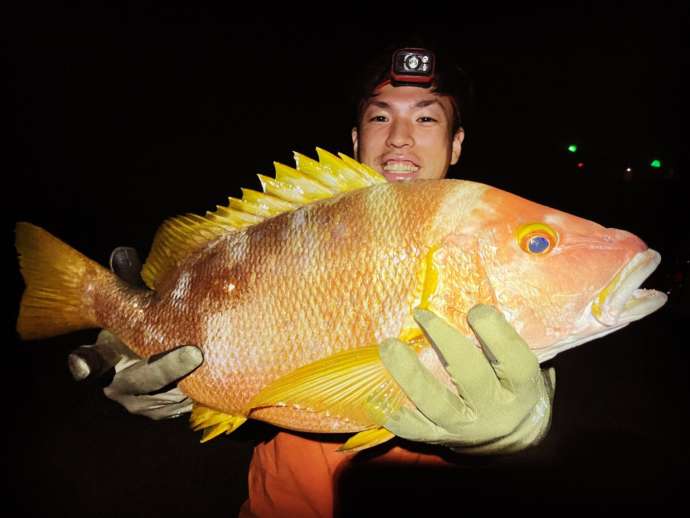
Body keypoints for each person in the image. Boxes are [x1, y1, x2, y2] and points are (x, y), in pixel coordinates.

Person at [68, 45, 555, 517]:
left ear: (456, 143)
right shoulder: (302, 223)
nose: (400, 137)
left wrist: (521, 423)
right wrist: (179, 384)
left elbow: (537, 354)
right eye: (380, 117)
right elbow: (249, 373)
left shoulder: (482, 238)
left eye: (426, 118)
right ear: (356, 138)